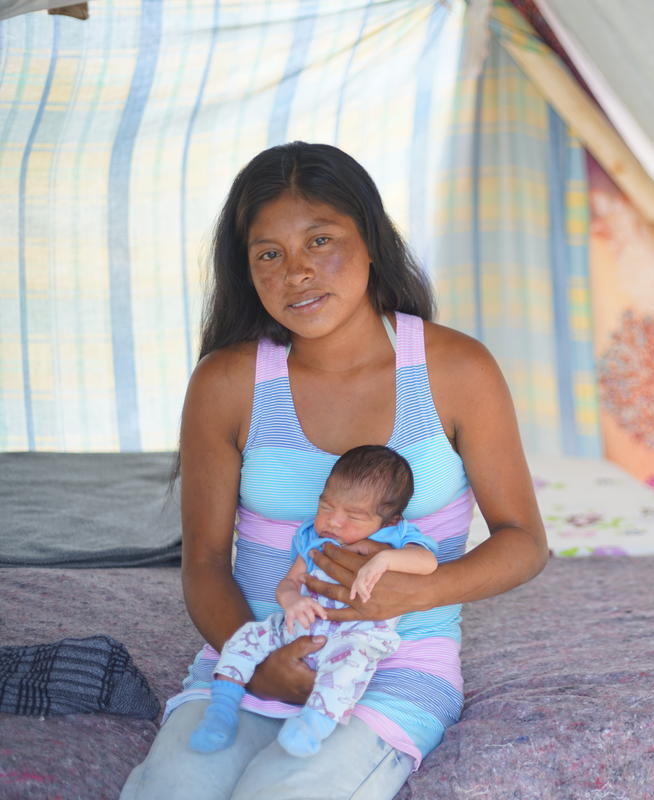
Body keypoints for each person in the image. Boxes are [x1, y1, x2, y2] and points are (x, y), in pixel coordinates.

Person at [121, 142, 547, 799]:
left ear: (372, 240)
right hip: (249, 654)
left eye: (320, 240)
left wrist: (421, 591)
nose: (297, 273)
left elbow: (524, 540)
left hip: (392, 670)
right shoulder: (227, 382)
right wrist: (257, 662)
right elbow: (204, 560)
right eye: (270, 254)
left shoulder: (457, 370)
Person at [189, 445, 438, 758]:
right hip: (301, 625)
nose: (333, 521)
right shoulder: (313, 536)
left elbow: (427, 563)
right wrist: (292, 601)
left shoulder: (397, 538)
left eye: (353, 516)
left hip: (354, 635)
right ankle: (221, 711)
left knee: (349, 668)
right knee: (245, 638)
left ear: (389, 521)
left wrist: (385, 560)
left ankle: (312, 726)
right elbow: (290, 582)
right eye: (326, 506)